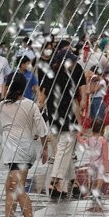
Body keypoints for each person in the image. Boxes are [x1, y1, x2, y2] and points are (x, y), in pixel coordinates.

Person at [0, 73, 46, 217]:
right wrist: (44, 149)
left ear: (7, 86)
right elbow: (42, 129)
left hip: (16, 152)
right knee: (10, 187)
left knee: (17, 188)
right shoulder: (31, 105)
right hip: (24, 150)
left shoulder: (1, 106)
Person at [40, 42, 84, 198]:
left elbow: (41, 98)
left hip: (52, 119)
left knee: (64, 152)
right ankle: (55, 181)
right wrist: (79, 121)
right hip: (67, 120)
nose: (74, 63)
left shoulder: (49, 75)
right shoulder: (67, 78)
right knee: (64, 151)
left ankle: (73, 182)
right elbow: (73, 103)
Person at [77, 116, 109, 207]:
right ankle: (97, 193)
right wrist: (107, 167)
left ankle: (93, 192)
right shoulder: (103, 141)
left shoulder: (89, 139)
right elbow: (105, 155)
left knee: (94, 179)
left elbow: (82, 143)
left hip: (92, 163)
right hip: (100, 164)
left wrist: (79, 135)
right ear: (102, 129)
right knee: (100, 178)